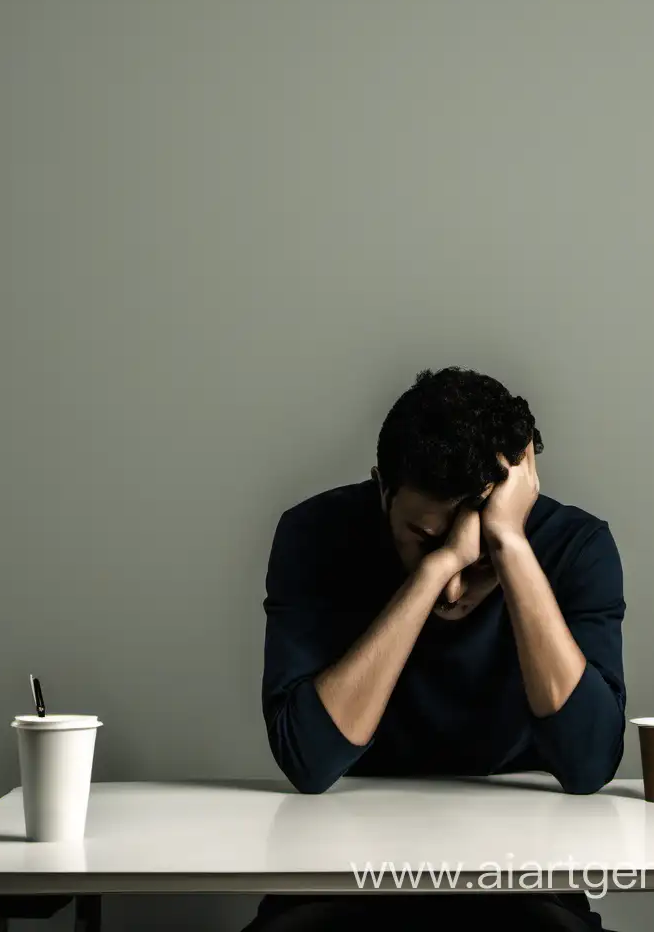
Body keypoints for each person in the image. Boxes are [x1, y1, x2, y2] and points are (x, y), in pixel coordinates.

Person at [246, 367, 626, 931]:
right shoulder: (314, 533)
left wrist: (511, 547)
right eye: (422, 538)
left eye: (481, 556)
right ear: (382, 490)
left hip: (519, 879)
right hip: (337, 873)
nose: (455, 590)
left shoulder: (576, 547)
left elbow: (589, 764)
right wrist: (437, 569)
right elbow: (309, 760)